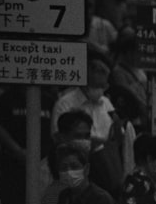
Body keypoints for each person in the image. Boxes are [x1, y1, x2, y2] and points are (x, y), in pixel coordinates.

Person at [51, 50, 136, 195]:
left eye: (104, 86)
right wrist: (95, 143)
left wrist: (116, 132)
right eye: (97, 86)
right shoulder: (65, 104)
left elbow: (118, 138)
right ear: (86, 77)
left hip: (105, 170)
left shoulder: (106, 103)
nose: (101, 90)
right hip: (75, 170)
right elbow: (58, 138)